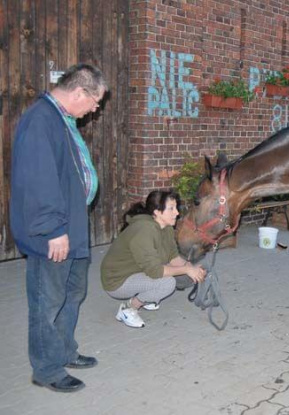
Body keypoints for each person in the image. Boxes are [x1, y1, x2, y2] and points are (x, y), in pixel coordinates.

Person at [10, 64, 108, 393]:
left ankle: (65, 351)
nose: (96, 108)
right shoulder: (41, 119)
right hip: (54, 233)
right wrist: (53, 229)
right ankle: (48, 369)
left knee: (72, 294)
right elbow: (38, 179)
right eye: (95, 101)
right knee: (47, 300)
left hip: (73, 227)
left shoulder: (62, 119)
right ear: (80, 92)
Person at [100, 190, 206, 329]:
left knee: (186, 276)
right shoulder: (144, 230)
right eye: (171, 209)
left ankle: (148, 297)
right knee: (167, 284)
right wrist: (186, 269)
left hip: (138, 271)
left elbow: (173, 256)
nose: (177, 213)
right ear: (157, 212)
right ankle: (128, 308)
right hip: (117, 280)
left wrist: (191, 268)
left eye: (176, 207)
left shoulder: (166, 226)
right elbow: (155, 271)